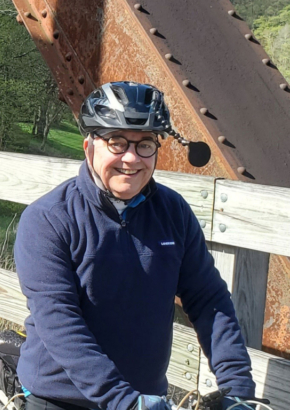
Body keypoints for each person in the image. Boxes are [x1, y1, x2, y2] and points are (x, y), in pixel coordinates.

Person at [14, 82, 259, 410]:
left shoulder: (174, 213)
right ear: (89, 147)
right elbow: (59, 320)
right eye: (116, 142)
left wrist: (237, 386)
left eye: (144, 144)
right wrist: (123, 401)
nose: (131, 158)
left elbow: (208, 299)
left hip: (146, 398)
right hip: (62, 399)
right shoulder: (48, 219)